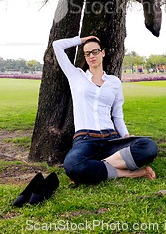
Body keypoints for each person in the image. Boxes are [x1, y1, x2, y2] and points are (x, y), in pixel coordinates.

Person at [53, 35, 158, 185]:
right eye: (87, 53)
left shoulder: (114, 82)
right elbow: (57, 45)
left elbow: (117, 114)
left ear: (103, 52)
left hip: (111, 139)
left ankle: (93, 167)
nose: (91, 56)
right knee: (72, 165)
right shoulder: (76, 76)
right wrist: (83, 40)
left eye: (95, 51)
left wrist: (126, 135)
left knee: (149, 147)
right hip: (85, 140)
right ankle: (128, 174)